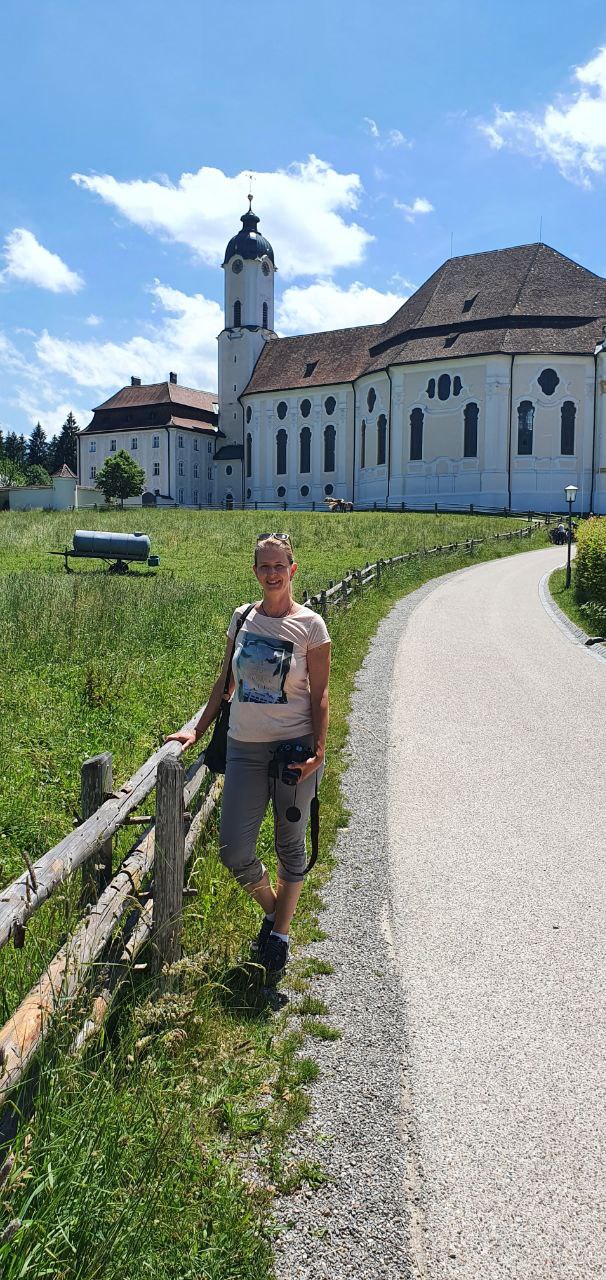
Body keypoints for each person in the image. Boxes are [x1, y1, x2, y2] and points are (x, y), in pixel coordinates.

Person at [166, 533, 331, 983]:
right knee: (234, 850)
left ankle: (279, 936)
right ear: (255, 571)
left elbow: (320, 695)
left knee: (290, 843)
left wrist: (318, 752)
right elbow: (225, 681)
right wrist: (197, 729)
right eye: (264, 566)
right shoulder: (242, 618)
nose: (272, 574)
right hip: (244, 747)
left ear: (292, 570)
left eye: (279, 566)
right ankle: (275, 911)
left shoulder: (311, 626)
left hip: (294, 749)